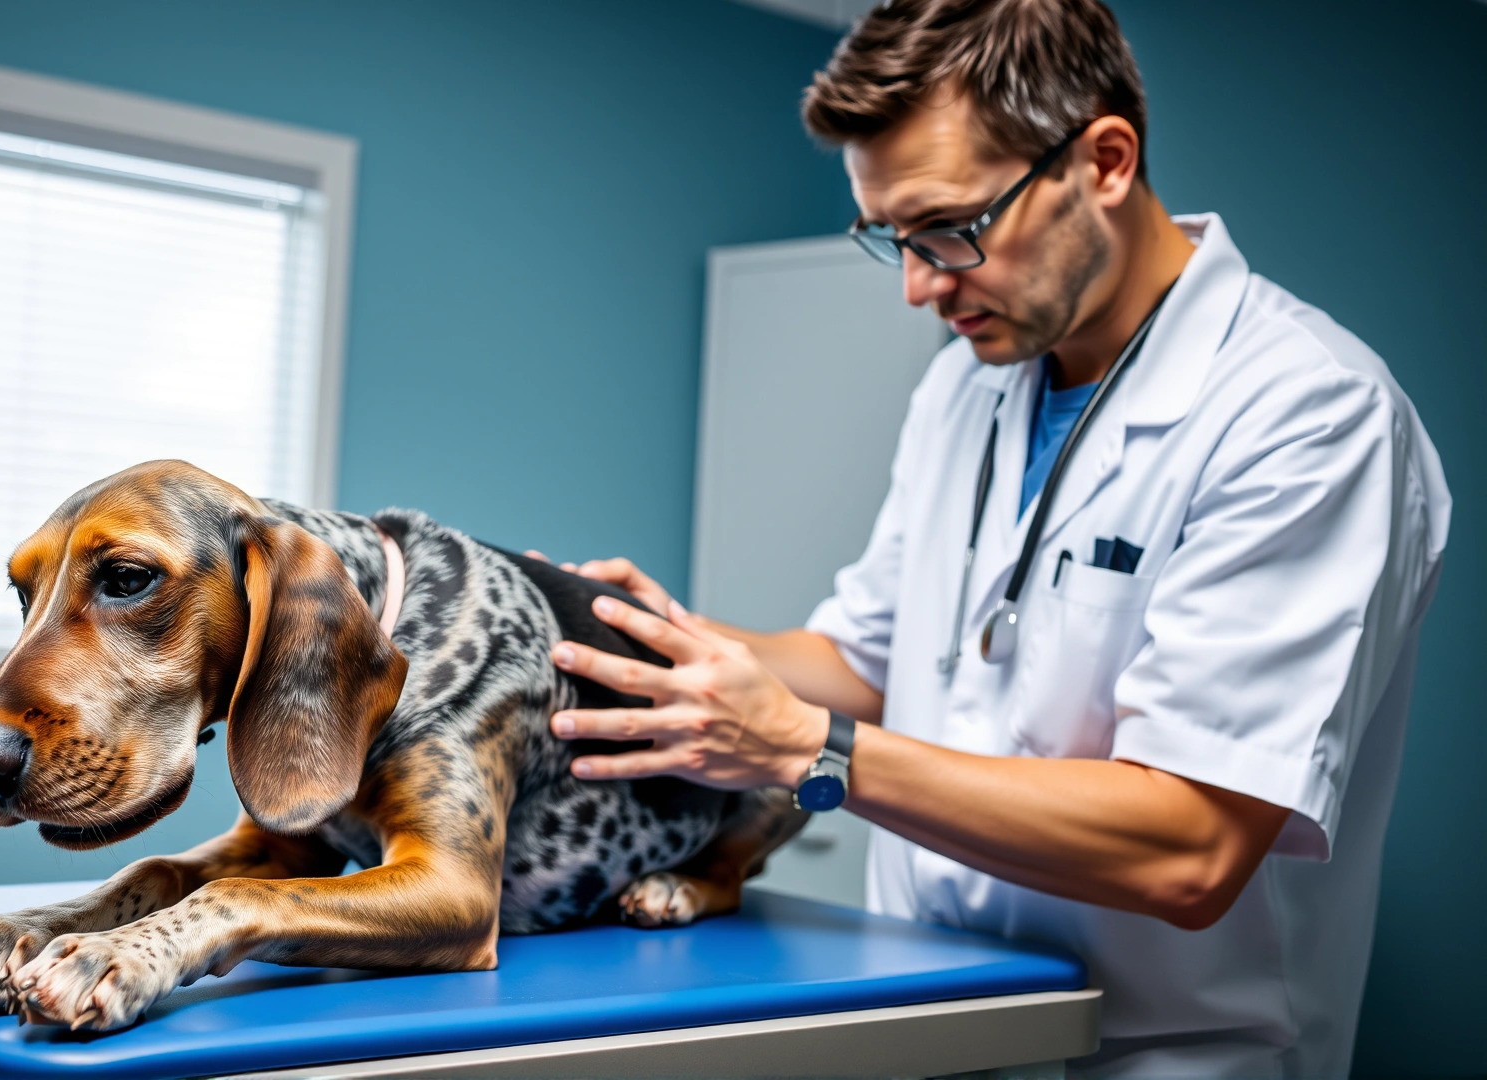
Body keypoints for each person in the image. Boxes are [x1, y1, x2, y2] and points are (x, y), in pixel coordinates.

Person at [540, 0, 1450, 1075]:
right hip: (938, 1010)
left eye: (952, 229)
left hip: (1167, 1049)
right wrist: (639, 639)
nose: (923, 285)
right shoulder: (964, 394)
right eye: (893, 240)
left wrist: (805, 752)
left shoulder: (1306, 412)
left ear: (1105, 161)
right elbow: (862, 663)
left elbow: (1192, 845)